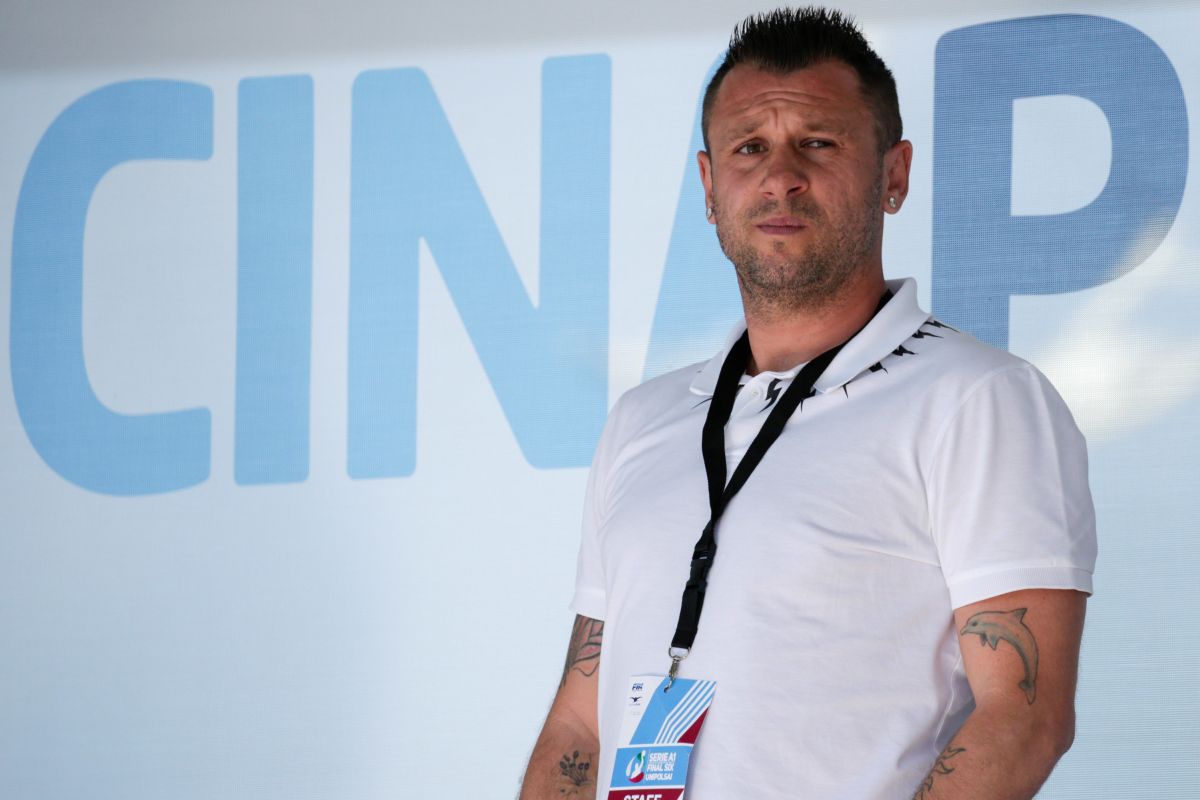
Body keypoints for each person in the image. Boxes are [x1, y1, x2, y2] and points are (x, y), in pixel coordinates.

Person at [520, 7, 1096, 799]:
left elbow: (1024, 716)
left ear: (893, 175)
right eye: (749, 147)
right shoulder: (643, 419)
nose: (780, 176)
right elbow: (579, 724)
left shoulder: (980, 399)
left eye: (818, 143)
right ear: (710, 186)